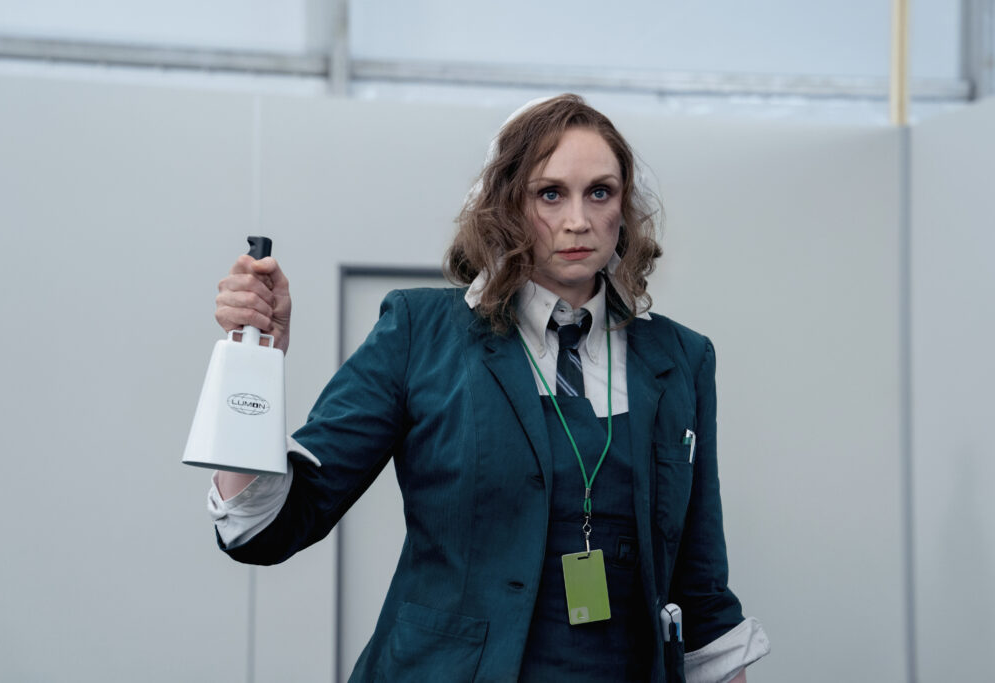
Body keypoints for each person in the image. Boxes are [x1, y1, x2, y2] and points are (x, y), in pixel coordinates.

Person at [207, 94, 769, 682]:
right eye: (550, 194)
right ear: (507, 206)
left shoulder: (679, 358)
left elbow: (700, 589)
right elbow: (265, 527)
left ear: (623, 207)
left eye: (599, 192)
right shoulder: (421, 332)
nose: (577, 220)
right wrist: (256, 365)